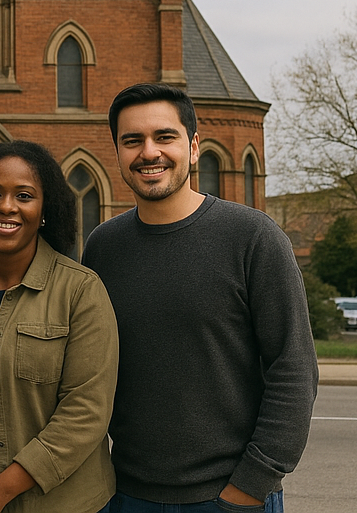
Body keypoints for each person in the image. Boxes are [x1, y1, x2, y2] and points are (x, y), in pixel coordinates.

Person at [82, 83, 318, 512]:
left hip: (230, 496)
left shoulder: (253, 238)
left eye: (164, 137)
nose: (148, 152)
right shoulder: (103, 247)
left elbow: (294, 367)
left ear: (193, 147)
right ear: (116, 152)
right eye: (132, 140)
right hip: (127, 494)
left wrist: (251, 485)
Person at [0, 140, 118, 513]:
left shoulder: (80, 290)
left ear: (45, 209)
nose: (6, 206)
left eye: (24, 195)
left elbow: (86, 412)